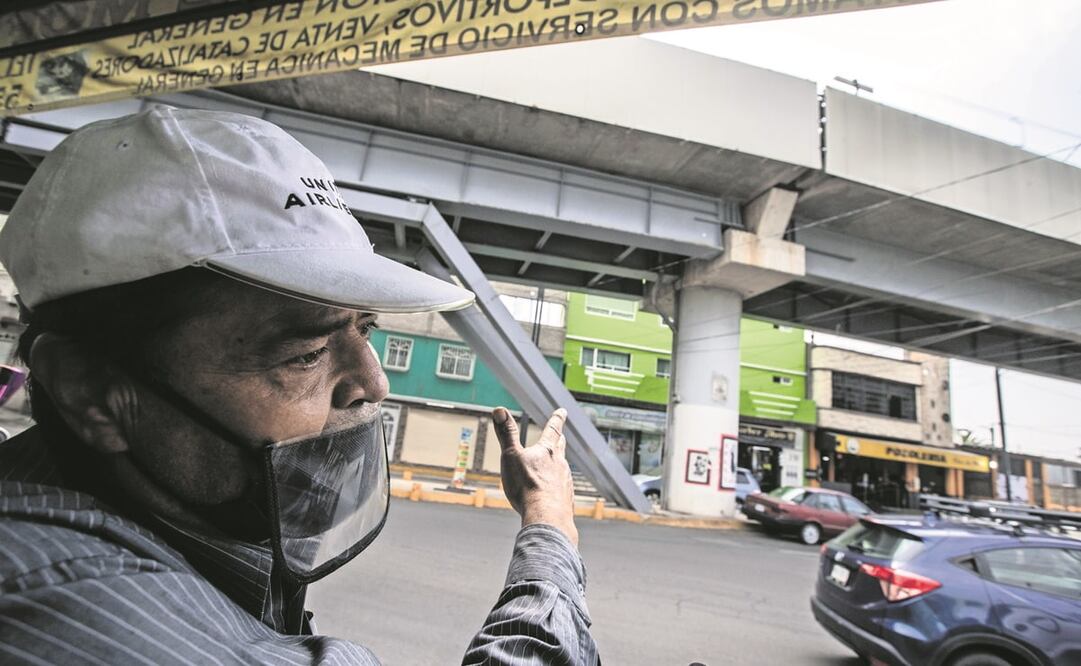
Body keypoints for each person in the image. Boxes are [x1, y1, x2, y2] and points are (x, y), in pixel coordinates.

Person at [0, 106, 597, 665]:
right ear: (90, 392)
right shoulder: (78, 609)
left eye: (365, 330)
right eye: (306, 353)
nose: (374, 382)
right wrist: (550, 524)